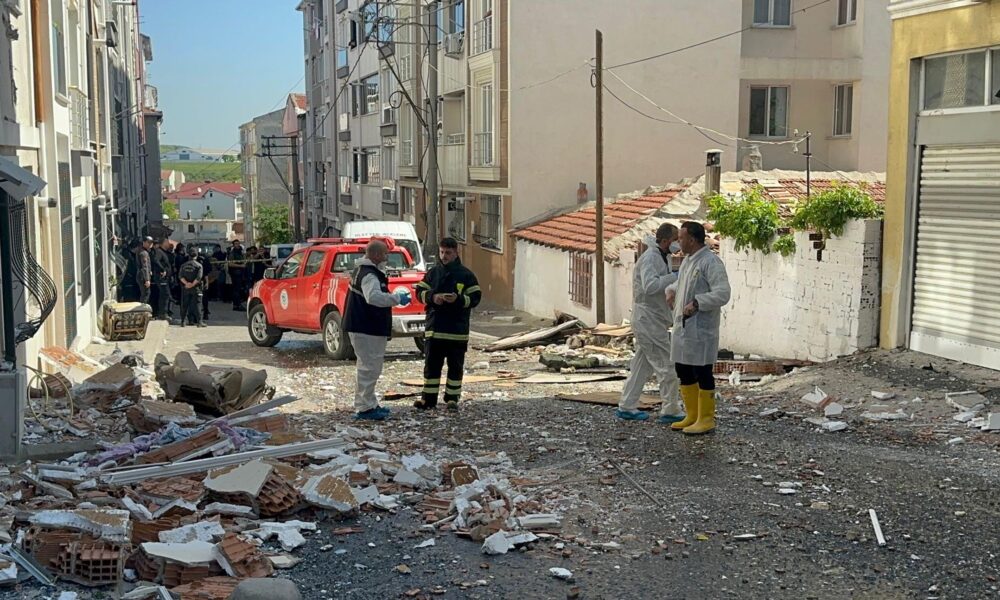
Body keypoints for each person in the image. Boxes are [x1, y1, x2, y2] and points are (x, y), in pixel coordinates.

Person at [667, 222, 732, 435]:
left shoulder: (711, 262)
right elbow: (683, 283)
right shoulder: (688, 261)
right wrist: (671, 290)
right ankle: (692, 414)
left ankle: (706, 418)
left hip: (701, 329)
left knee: (702, 371)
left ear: (692, 239)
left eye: (681, 238)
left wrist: (698, 303)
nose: (678, 242)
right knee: (683, 369)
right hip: (683, 326)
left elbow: (722, 293)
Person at [616, 223, 685, 423]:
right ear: (666, 241)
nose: (678, 244)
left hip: (651, 319)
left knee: (641, 366)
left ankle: (627, 405)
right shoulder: (651, 258)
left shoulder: (662, 256)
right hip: (648, 319)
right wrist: (673, 277)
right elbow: (650, 286)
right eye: (676, 240)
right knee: (667, 366)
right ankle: (671, 409)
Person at [343, 240, 410, 421]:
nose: (387, 258)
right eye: (385, 254)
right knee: (369, 368)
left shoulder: (362, 271)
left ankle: (369, 403)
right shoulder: (369, 275)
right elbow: (373, 297)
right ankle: (365, 408)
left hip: (363, 326)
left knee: (368, 367)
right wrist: (396, 298)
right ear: (377, 255)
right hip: (366, 327)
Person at [413, 238, 481, 411]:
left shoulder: (466, 275)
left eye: (448, 253)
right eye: (442, 252)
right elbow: (419, 292)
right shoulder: (433, 273)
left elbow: (475, 298)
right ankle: (428, 400)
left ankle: (452, 399)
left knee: (455, 367)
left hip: (457, 331)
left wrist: (458, 299)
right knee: (431, 367)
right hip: (435, 330)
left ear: (456, 253)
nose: (444, 256)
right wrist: (432, 297)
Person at [178, 246, 207, 328]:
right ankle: (199, 322)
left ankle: (183, 321)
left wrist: (187, 283)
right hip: (196, 288)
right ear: (196, 255)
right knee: (198, 304)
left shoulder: (183, 265)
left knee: (185, 305)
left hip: (186, 288)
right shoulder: (199, 265)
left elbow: (180, 276)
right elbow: (199, 277)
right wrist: (192, 284)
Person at [150, 238, 174, 320]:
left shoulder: (164, 252)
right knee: (165, 294)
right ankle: (163, 313)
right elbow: (156, 260)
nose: (169, 244)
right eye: (167, 242)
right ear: (163, 243)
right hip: (161, 277)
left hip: (166, 278)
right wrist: (162, 269)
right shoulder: (159, 251)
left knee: (164, 294)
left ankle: (163, 312)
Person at [226, 240, 247, 311]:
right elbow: (230, 264)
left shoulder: (240, 252)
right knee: (236, 290)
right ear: (233, 245)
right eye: (236, 244)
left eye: (238, 243)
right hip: (235, 272)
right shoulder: (232, 253)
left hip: (240, 273)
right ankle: (236, 305)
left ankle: (237, 304)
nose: (237, 245)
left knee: (238, 289)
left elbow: (243, 260)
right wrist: (241, 266)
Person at [196, 249, 214, 320]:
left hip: (192, 281)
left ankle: (195, 316)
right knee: (204, 298)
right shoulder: (205, 259)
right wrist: (207, 282)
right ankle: (205, 313)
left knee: (195, 299)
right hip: (202, 281)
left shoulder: (188, 260)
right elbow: (207, 272)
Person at [135, 238, 152, 305]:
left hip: (141, 275)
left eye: (151, 243)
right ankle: (143, 308)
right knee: (146, 293)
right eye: (148, 243)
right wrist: (147, 279)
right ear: (144, 242)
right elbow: (145, 267)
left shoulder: (141, 250)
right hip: (143, 276)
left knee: (145, 293)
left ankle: (143, 307)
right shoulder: (143, 253)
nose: (150, 244)